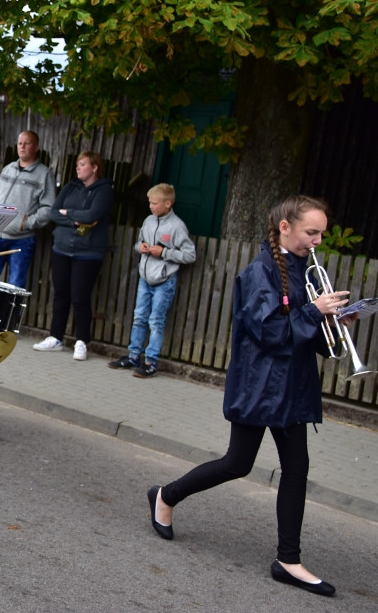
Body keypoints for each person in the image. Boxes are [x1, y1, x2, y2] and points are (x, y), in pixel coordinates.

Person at [148, 195, 345, 598]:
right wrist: (313, 313)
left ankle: (288, 560)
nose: (318, 241)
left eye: (321, 233)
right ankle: (165, 495)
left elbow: (302, 336)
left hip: (291, 386)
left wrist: (332, 321)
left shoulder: (303, 270)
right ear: (285, 227)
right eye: (312, 232)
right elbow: (271, 333)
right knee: (237, 462)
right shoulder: (260, 271)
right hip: (261, 385)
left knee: (297, 468)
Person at [108, 183, 196, 377]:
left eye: (155, 203)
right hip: (145, 278)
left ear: (167, 204)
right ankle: (133, 356)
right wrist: (141, 247)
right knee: (139, 316)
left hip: (164, 280)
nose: (151, 206)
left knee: (156, 320)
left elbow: (190, 254)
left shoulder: (177, 226)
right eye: (150, 202)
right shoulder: (148, 221)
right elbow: (138, 242)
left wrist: (164, 252)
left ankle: (151, 361)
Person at [32, 150, 113, 360]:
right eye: (77, 164)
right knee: (61, 295)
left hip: (88, 252)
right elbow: (54, 213)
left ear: (94, 167)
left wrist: (70, 214)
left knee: (80, 297)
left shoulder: (104, 190)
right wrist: (76, 220)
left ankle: (81, 341)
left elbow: (93, 215)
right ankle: (55, 338)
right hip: (61, 248)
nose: (78, 167)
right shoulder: (70, 187)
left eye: (83, 164)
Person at [0, 130, 56, 288]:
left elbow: (48, 208)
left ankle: (11, 314)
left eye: (27, 143)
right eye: (20, 143)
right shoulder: (8, 169)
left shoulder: (44, 174)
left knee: (15, 286)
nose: (22, 147)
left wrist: (25, 223)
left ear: (36, 147)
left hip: (22, 239)